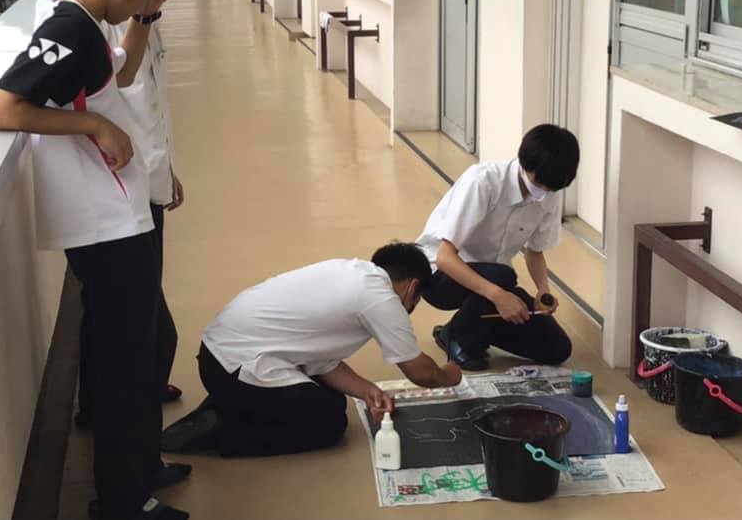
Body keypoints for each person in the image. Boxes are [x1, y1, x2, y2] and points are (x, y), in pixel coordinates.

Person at [0, 0, 189, 520]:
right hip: (105, 225)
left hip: (121, 213)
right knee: (127, 362)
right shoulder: (68, 29)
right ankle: (124, 501)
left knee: (141, 346)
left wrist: (143, 24)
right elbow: (0, 109)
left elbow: (117, 73)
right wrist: (95, 124)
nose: (159, 3)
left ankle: (140, 466)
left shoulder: (92, 26)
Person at [71, 0, 202, 429]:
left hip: (143, 181)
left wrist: (165, 172)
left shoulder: (138, 18)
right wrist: (100, 130)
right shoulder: (89, 26)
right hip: (120, 192)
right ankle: (117, 411)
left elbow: (145, 101)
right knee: (138, 323)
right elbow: (116, 100)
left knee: (143, 318)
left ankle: (126, 399)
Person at [161, 243, 463, 457]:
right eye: (416, 301)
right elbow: (422, 374)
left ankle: (226, 406)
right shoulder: (382, 299)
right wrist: (450, 375)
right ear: (412, 287)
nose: (411, 308)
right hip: (236, 367)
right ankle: (225, 433)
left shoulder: (347, 271)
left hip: (219, 355)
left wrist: (368, 390)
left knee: (329, 398)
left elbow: (320, 360)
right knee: (328, 424)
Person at [415, 124, 579, 371]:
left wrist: (543, 292)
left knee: (557, 349)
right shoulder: (484, 181)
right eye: (540, 183)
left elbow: (535, 251)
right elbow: (445, 258)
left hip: (492, 281)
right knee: (503, 276)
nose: (543, 193)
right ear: (524, 162)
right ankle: (458, 337)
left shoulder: (548, 193)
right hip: (439, 275)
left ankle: (474, 327)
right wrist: (499, 296)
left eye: (551, 188)